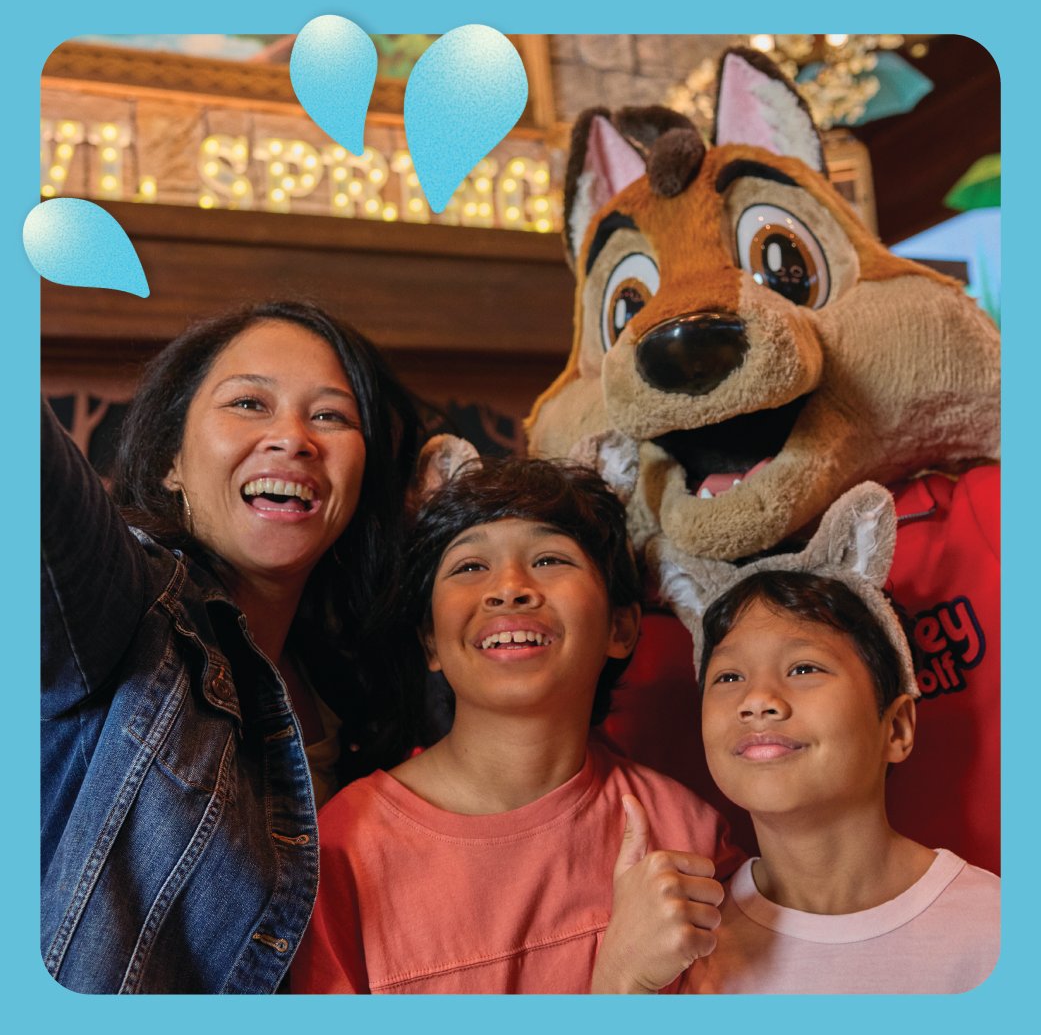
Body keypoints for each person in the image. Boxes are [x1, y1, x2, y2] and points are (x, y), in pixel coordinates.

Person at [41, 300, 421, 994]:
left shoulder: (361, 688)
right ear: (169, 462)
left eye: (330, 415)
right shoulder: (128, 607)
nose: (293, 438)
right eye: (249, 402)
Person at [291, 457, 741, 993]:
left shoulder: (688, 836)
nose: (508, 588)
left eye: (550, 559)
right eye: (468, 567)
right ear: (431, 641)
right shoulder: (343, 851)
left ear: (620, 628)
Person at [598, 566, 1000, 993]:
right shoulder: (679, 943)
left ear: (896, 728)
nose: (756, 701)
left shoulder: (996, 926)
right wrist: (623, 981)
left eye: (804, 668)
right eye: (729, 677)